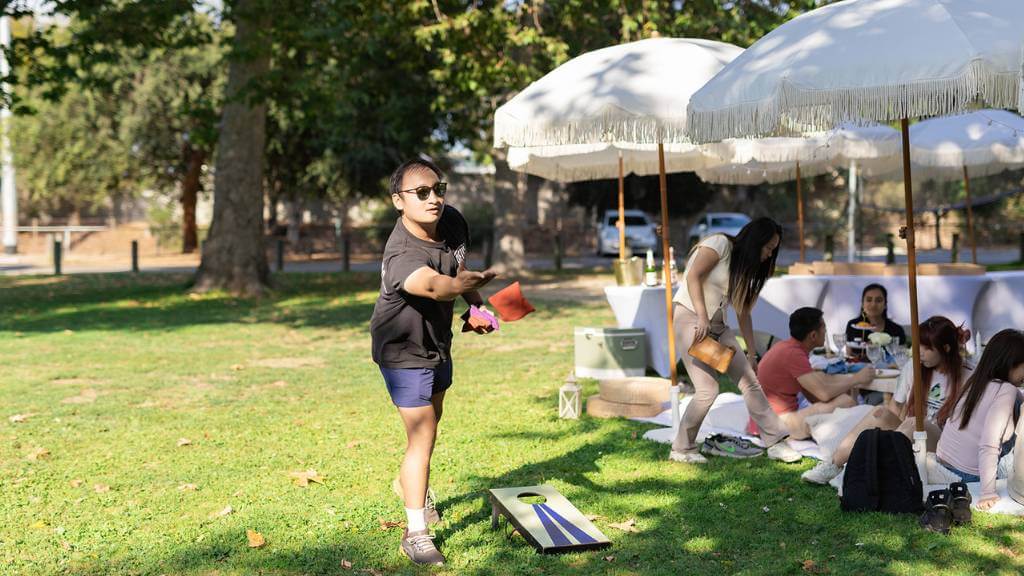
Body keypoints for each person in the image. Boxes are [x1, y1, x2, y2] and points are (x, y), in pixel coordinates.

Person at [369, 158, 496, 566]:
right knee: (422, 437)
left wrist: (476, 305)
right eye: (420, 193)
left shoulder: (453, 221)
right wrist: (457, 289)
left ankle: (407, 481)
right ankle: (416, 532)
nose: (433, 198)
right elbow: (433, 283)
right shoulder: (400, 253)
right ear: (398, 201)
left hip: (437, 343)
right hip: (401, 349)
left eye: (438, 188)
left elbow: (454, 268)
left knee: (429, 428)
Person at [669, 217, 803, 464]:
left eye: (772, 250)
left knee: (750, 381)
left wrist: (752, 354)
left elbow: (743, 312)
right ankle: (682, 448)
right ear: (755, 241)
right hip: (692, 322)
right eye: (767, 248)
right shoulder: (719, 244)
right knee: (708, 391)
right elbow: (693, 276)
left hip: (717, 327)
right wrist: (701, 316)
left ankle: (775, 442)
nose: (768, 254)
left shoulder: (743, 267)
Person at [802, 316, 972, 485]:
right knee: (879, 412)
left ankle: (863, 470)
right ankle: (833, 465)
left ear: (946, 348)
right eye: (917, 344)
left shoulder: (967, 375)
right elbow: (895, 406)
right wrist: (883, 424)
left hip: (941, 443)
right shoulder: (914, 366)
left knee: (914, 423)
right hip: (908, 435)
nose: (918, 351)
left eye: (926, 348)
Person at [937, 329, 1024, 510]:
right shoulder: (1006, 390)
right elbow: (989, 444)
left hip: (945, 464)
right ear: (1011, 363)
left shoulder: (976, 380)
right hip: (972, 475)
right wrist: (987, 492)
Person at [756, 307, 874, 440]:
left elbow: (813, 396)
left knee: (841, 398)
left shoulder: (789, 347)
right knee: (845, 402)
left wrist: (840, 386)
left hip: (767, 422)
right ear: (813, 335)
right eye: (824, 327)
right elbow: (823, 394)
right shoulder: (793, 354)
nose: (826, 331)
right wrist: (856, 379)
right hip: (775, 425)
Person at [844, 283, 907, 350]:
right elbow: (849, 354)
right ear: (862, 304)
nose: (873, 304)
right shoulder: (853, 325)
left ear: (885, 304)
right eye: (869, 300)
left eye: (878, 300)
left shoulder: (896, 330)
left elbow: (901, 355)